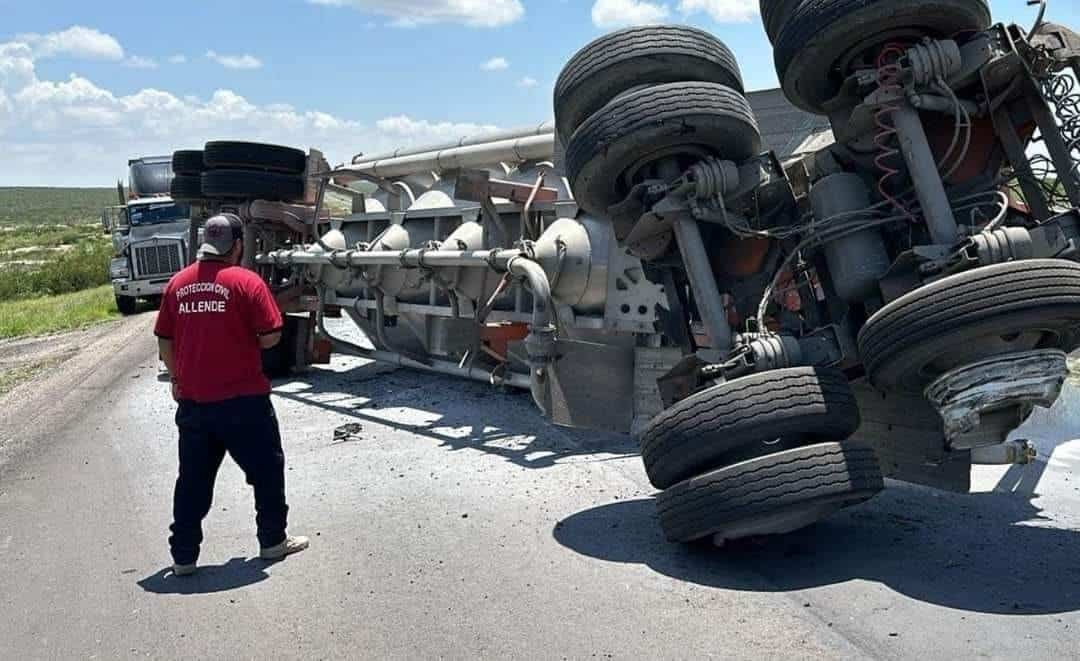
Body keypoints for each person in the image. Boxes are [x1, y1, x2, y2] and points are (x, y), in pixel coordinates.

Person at [154, 213, 308, 576]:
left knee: (192, 481)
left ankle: (183, 558)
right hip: (244, 402)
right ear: (237, 245)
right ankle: (272, 542)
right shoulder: (246, 283)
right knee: (267, 470)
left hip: (193, 404)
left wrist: (177, 377)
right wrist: (243, 339)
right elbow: (271, 334)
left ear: (205, 243)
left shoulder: (177, 284)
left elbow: (165, 339)